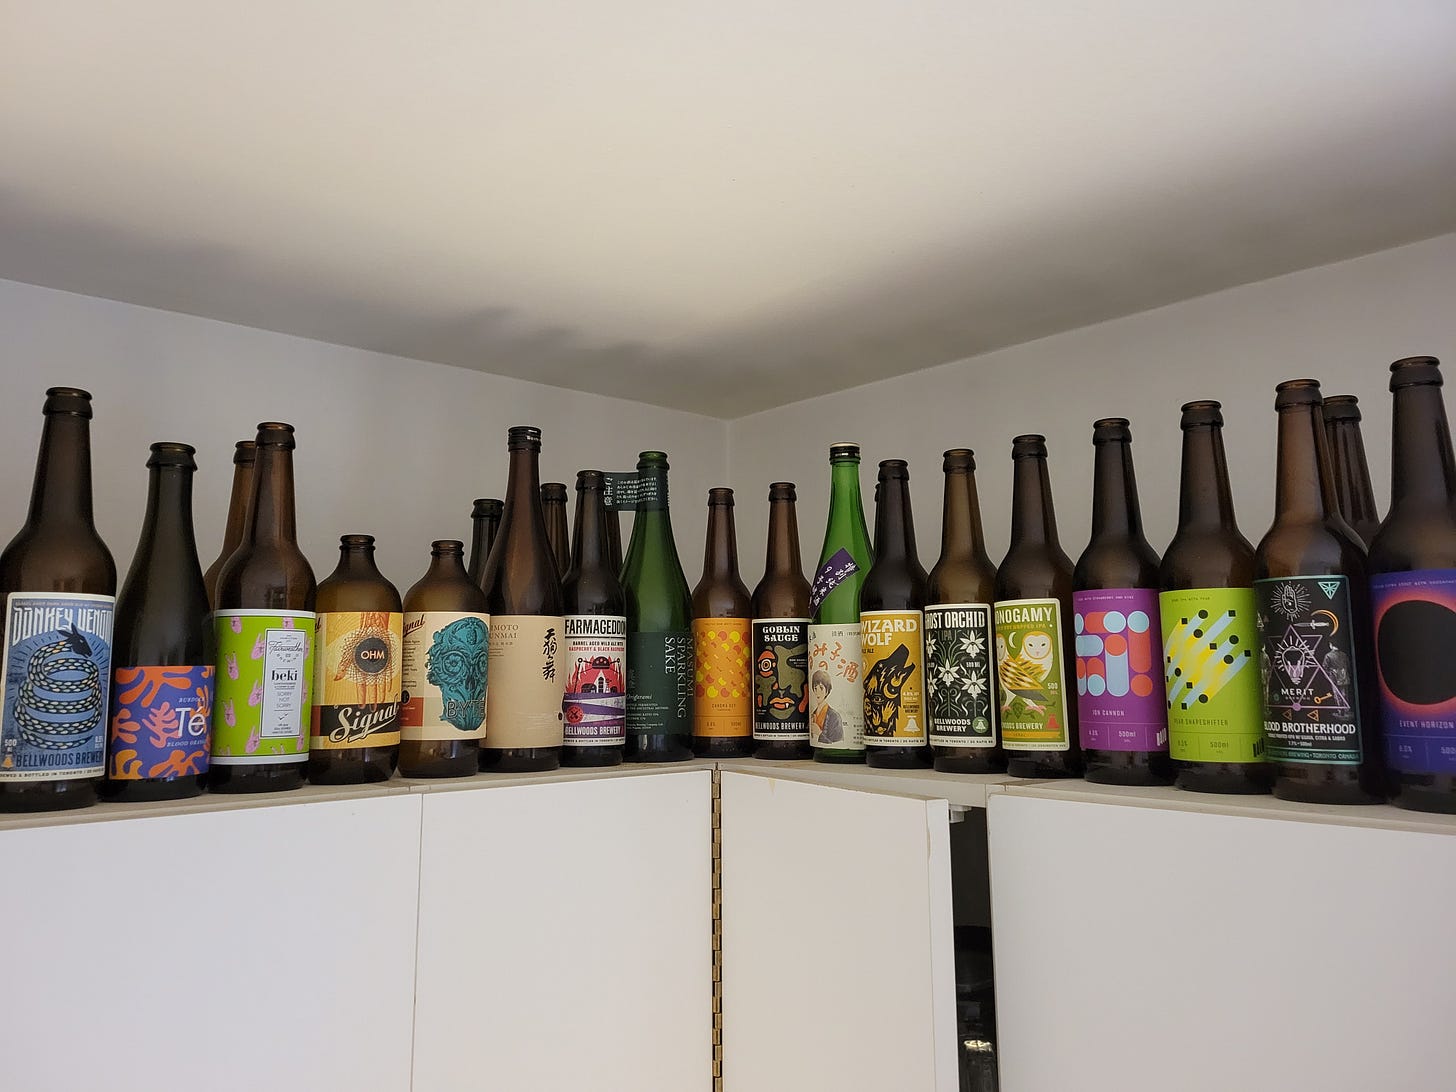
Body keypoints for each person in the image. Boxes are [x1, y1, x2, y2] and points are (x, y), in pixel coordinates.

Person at [810, 670, 843, 744]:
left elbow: (838, 743)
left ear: (827, 691)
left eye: (821, 688)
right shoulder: (813, 714)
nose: (817, 692)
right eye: (815, 688)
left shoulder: (834, 716)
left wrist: (819, 733)